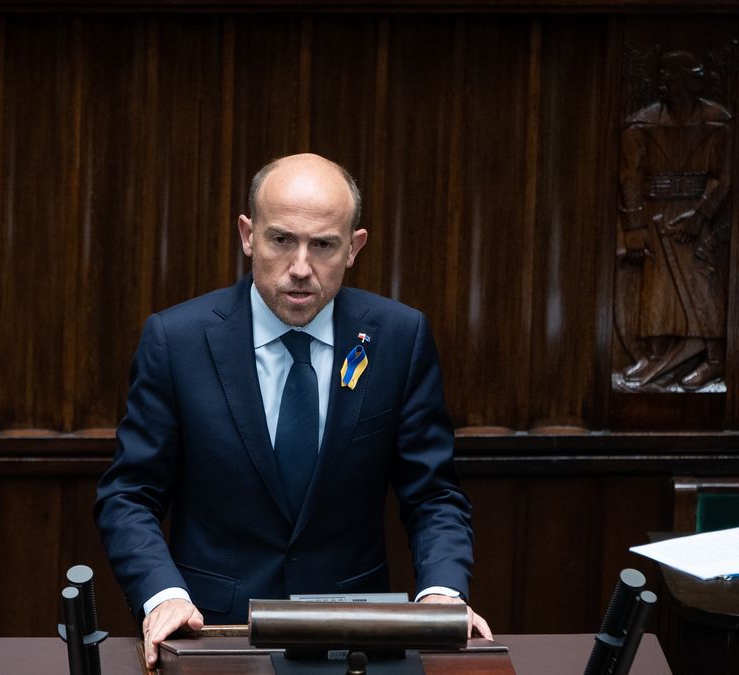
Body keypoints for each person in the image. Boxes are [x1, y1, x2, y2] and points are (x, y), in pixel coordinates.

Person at [94, 153, 490, 669]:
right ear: (248, 235)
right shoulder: (178, 341)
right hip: (211, 635)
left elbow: (433, 493)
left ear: (354, 247)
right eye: (282, 240)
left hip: (354, 639)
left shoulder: (398, 337)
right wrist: (162, 595)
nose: (301, 268)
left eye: (323, 245)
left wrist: (441, 594)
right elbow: (129, 494)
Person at [617, 50, 731, 390]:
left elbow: (725, 176)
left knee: (703, 284)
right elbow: (630, 178)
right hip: (656, 213)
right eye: (661, 76)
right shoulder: (642, 124)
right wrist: (634, 227)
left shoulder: (716, 121)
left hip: (696, 215)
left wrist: (701, 214)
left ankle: (713, 360)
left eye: (670, 75)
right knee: (656, 286)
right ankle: (657, 353)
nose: (662, 83)